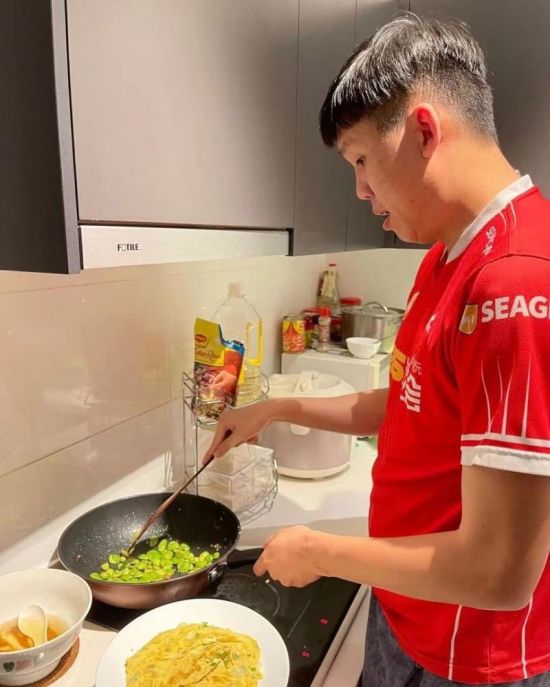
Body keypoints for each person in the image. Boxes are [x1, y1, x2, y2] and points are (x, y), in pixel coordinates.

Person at [204, 14, 550, 686]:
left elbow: (501, 572)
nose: (360, 190)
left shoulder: (515, 281)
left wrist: (319, 551)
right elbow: (407, 404)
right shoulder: (447, 257)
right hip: (407, 613)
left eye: (361, 160)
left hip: (466, 655)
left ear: (423, 131)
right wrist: (273, 408)